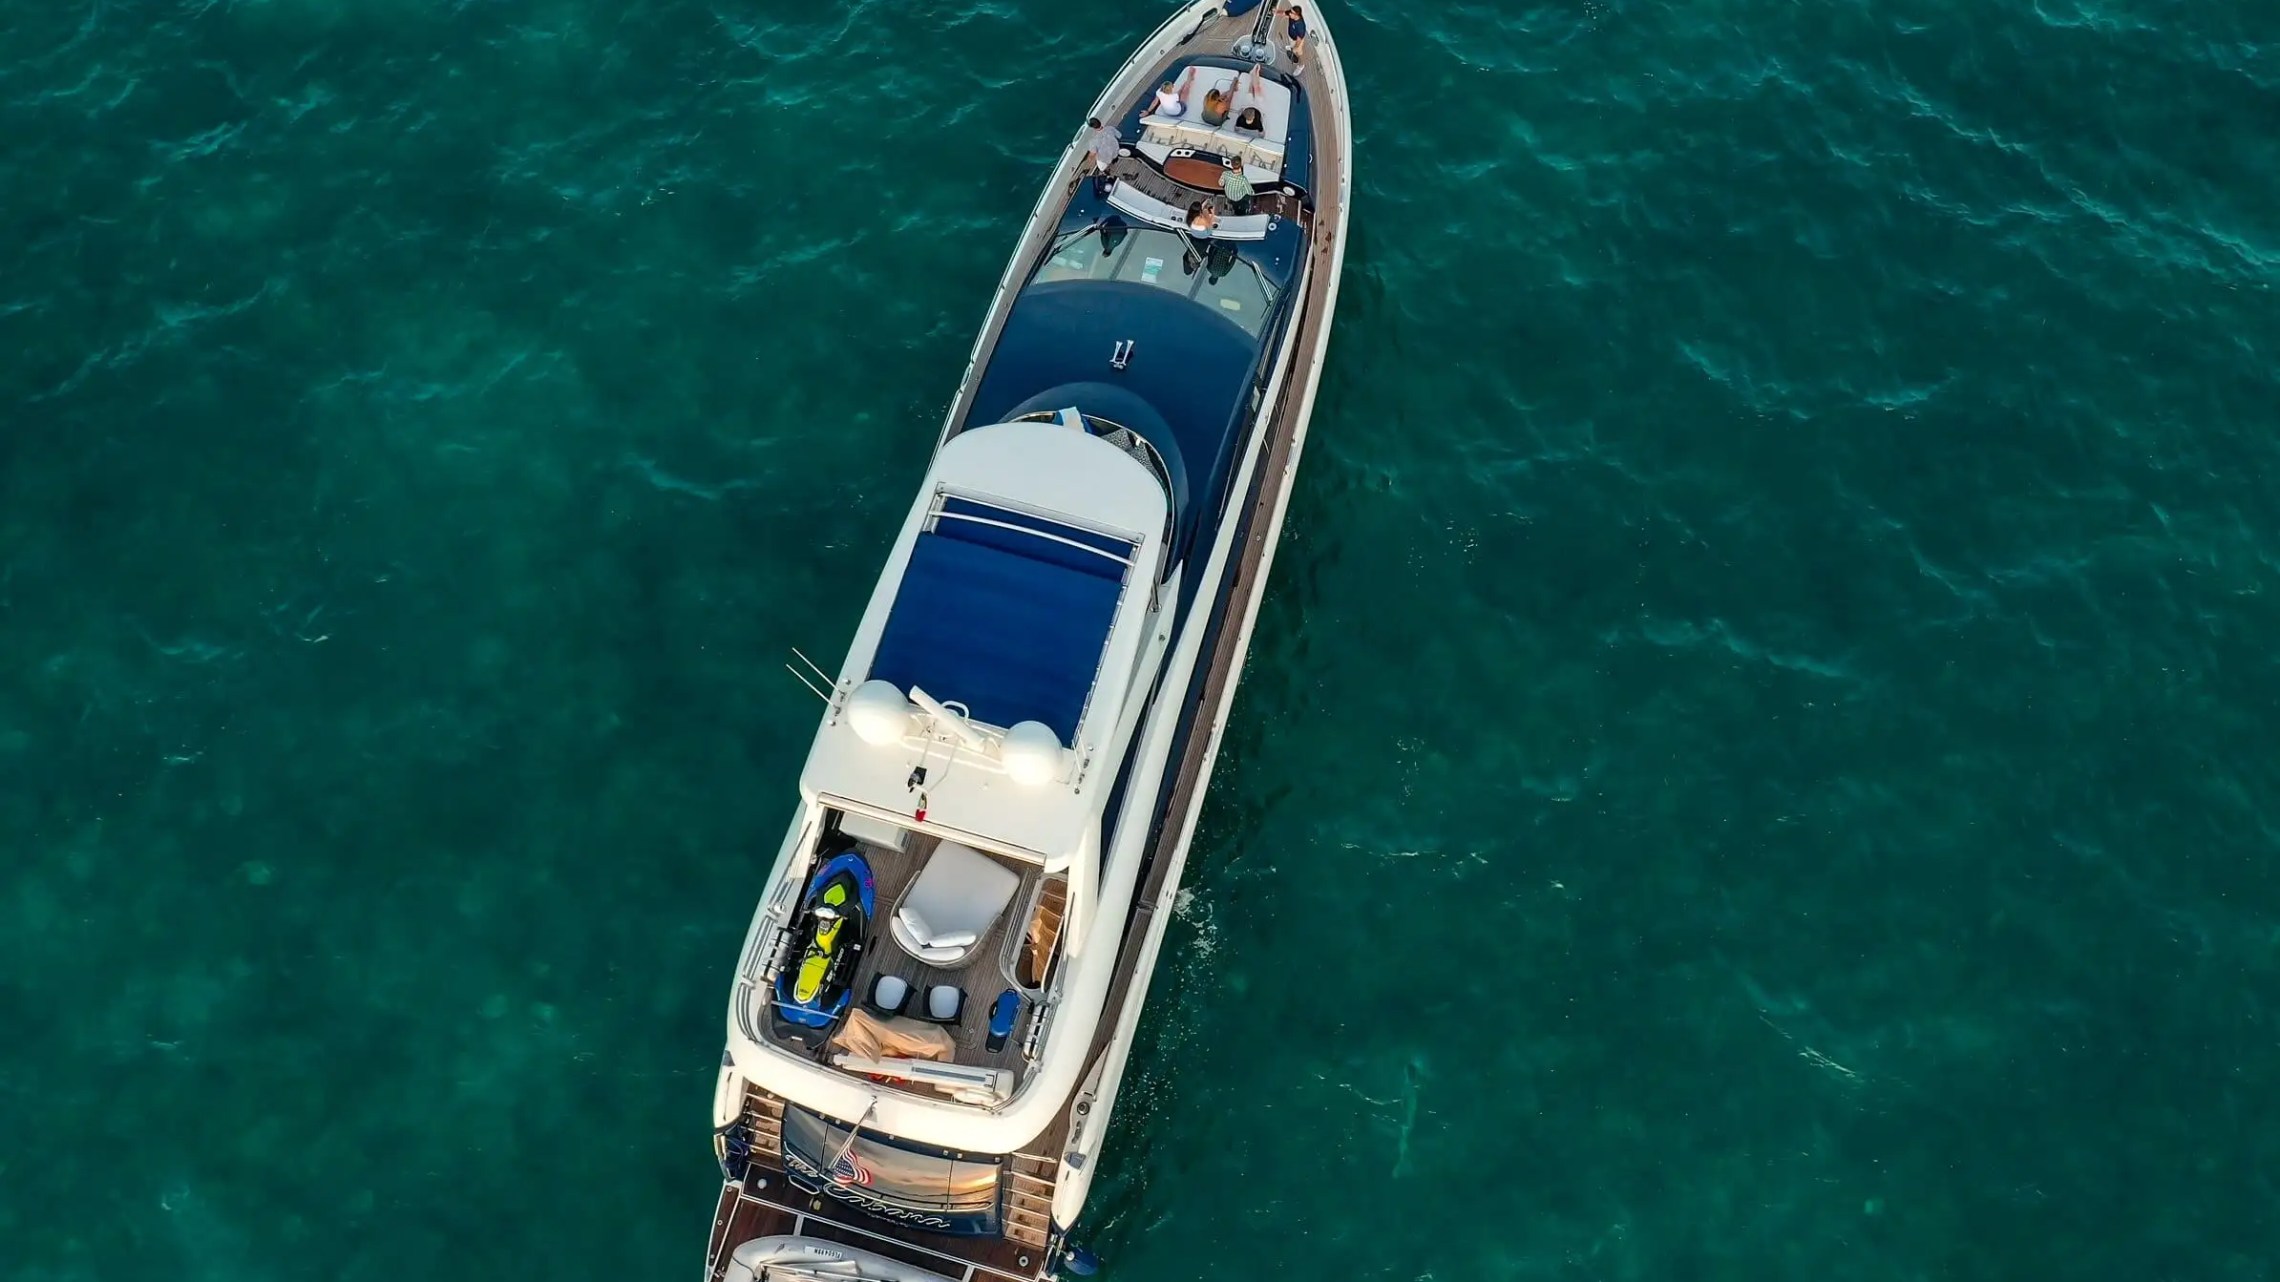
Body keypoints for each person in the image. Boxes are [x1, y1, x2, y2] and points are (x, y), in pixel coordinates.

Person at [1080, 116, 1121, 196]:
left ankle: (1106, 172)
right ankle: (1113, 162)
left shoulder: (1093, 141)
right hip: (1115, 153)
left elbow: (1093, 154)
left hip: (1105, 159)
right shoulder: (1110, 128)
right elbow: (1119, 135)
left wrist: (1089, 159)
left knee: (1101, 167)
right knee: (1113, 158)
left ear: (1093, 128)